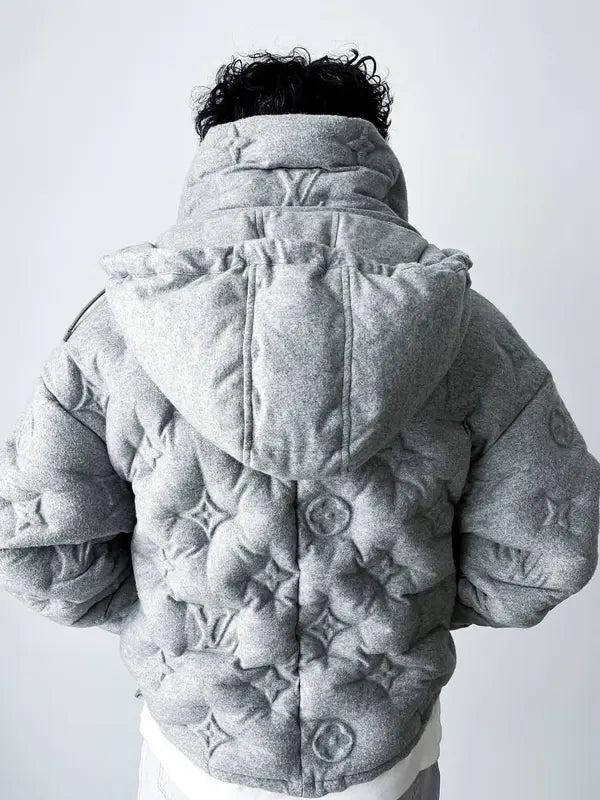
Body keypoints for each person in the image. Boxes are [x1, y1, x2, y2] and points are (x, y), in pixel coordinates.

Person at [1, 46, 598, 800]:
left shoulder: (116, 331)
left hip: (196, 752)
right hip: (387, 758)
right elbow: (546, 541)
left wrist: (175, 626)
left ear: (217, 155)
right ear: (371, 153)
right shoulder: (468, 330)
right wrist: (402, 614)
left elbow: (43, 545)